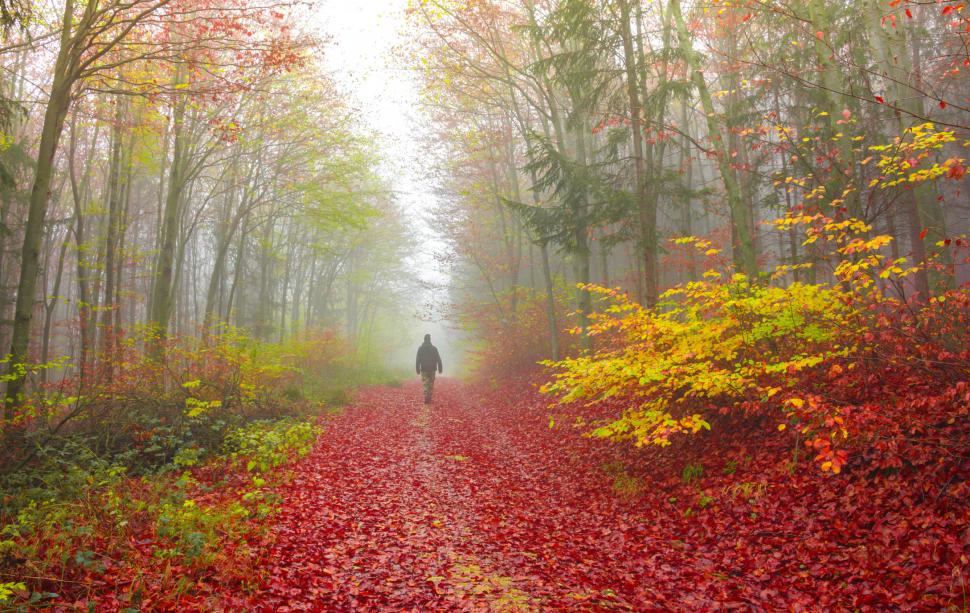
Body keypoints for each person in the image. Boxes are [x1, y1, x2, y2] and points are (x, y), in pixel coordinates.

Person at [415, 334, 443, 404]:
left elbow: (418, 359)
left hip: (424, 369)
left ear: (424, 339)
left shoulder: (420, 348)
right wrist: (440, 368)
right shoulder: (434, 348)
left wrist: (417, 369)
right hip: (432, 369)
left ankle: (426, 395)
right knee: (431, 383)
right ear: (430, 340)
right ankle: (429, 396)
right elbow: (438, 359)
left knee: (425, 383)